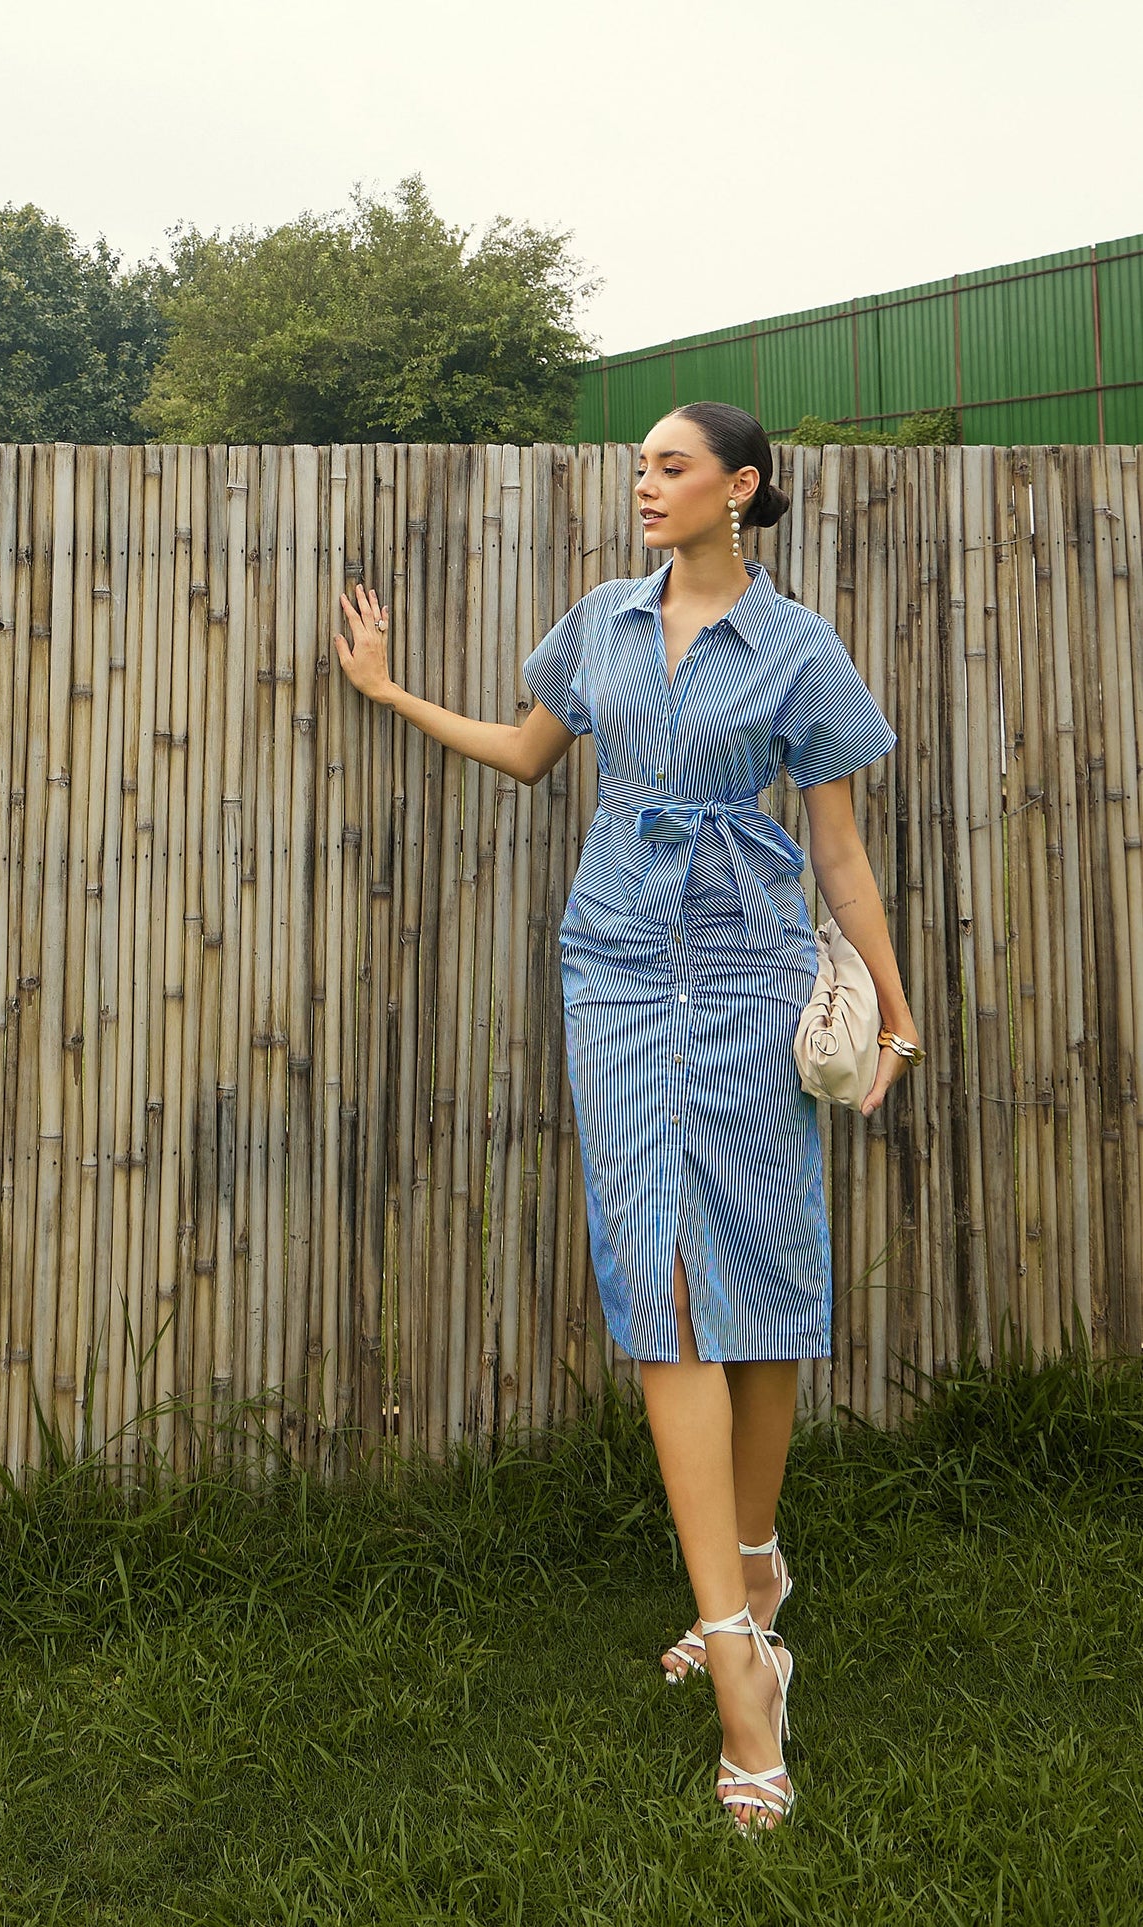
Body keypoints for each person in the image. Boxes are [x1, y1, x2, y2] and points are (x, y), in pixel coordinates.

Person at [333, 402, 923, 1833]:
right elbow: (537, 752)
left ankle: (756, 1568)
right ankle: (740, 1668)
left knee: (763, 1274)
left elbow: (834, 845)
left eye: (670, 468)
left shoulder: (798, 649)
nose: (644, 487)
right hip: (611, 966)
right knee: (656, 1279)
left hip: (746, 968)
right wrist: (397, 695)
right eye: (640, 468)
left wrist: (894, 1011)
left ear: (742, 488)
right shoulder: (598, 620)